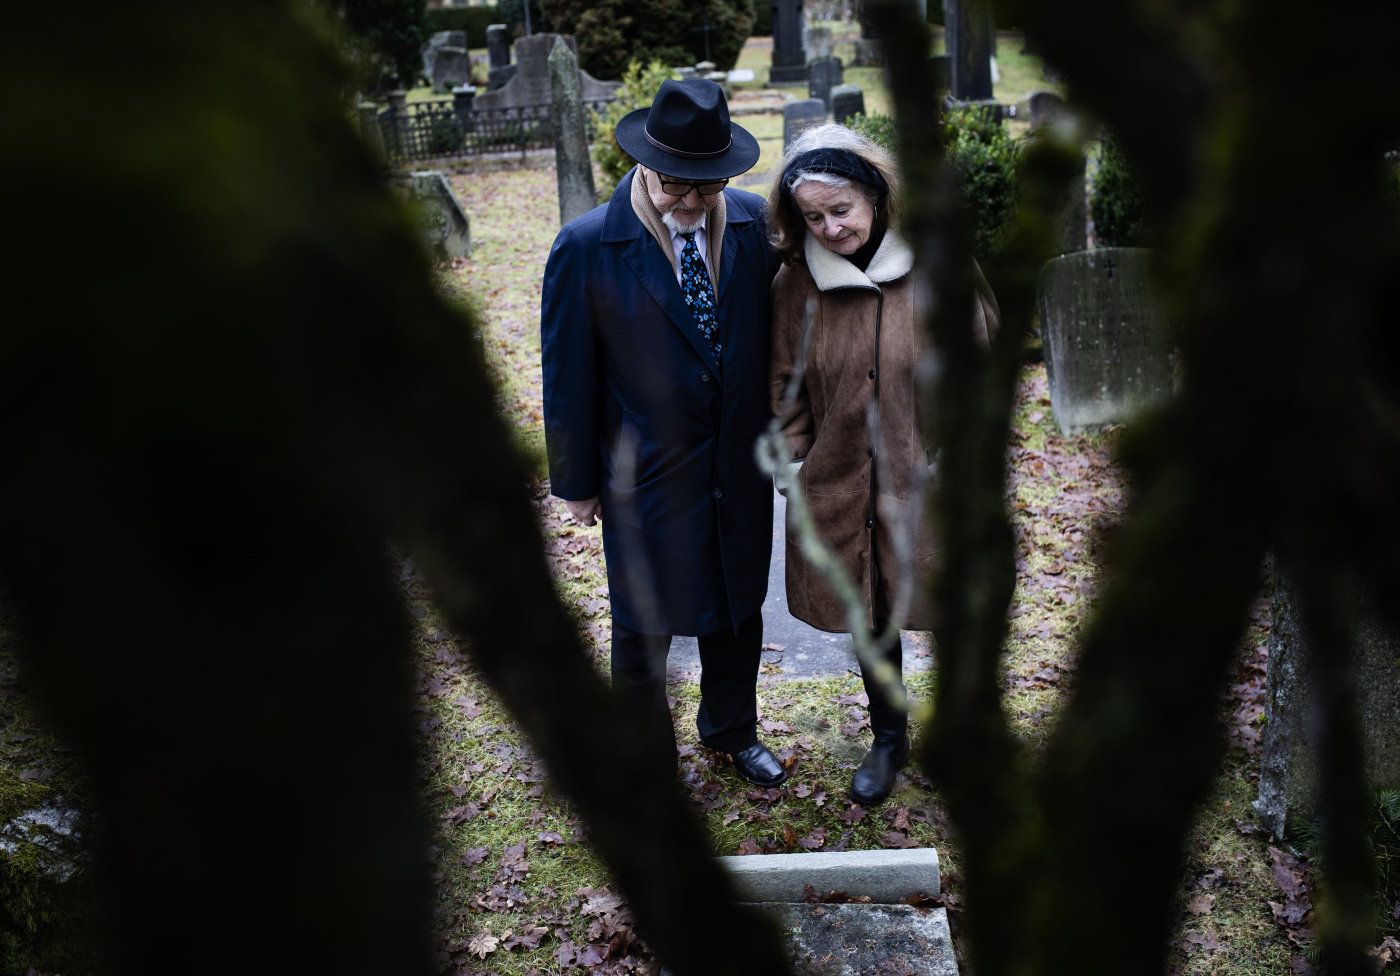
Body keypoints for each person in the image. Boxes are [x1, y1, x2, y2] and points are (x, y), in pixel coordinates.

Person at [540, 79, 786, 787]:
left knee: (739, 609)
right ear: (647, 164)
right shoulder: (587, 245)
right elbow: (568, 372)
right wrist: (576, 482)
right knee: (643, 626)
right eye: (678, 184)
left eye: (706, 187)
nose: (691, 201)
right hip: (642, 471)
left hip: (736, 463)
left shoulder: (747, 223)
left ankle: (732, 730)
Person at [767, 123, 999, 806]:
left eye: (840, 209)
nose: (830, 227)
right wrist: (800, 451)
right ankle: (889, 739)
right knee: (872, 617)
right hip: (840, 483)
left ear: (874, 195)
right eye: (813, 216)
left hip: (932, 477)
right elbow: (783, 382)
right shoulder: (796, 283)